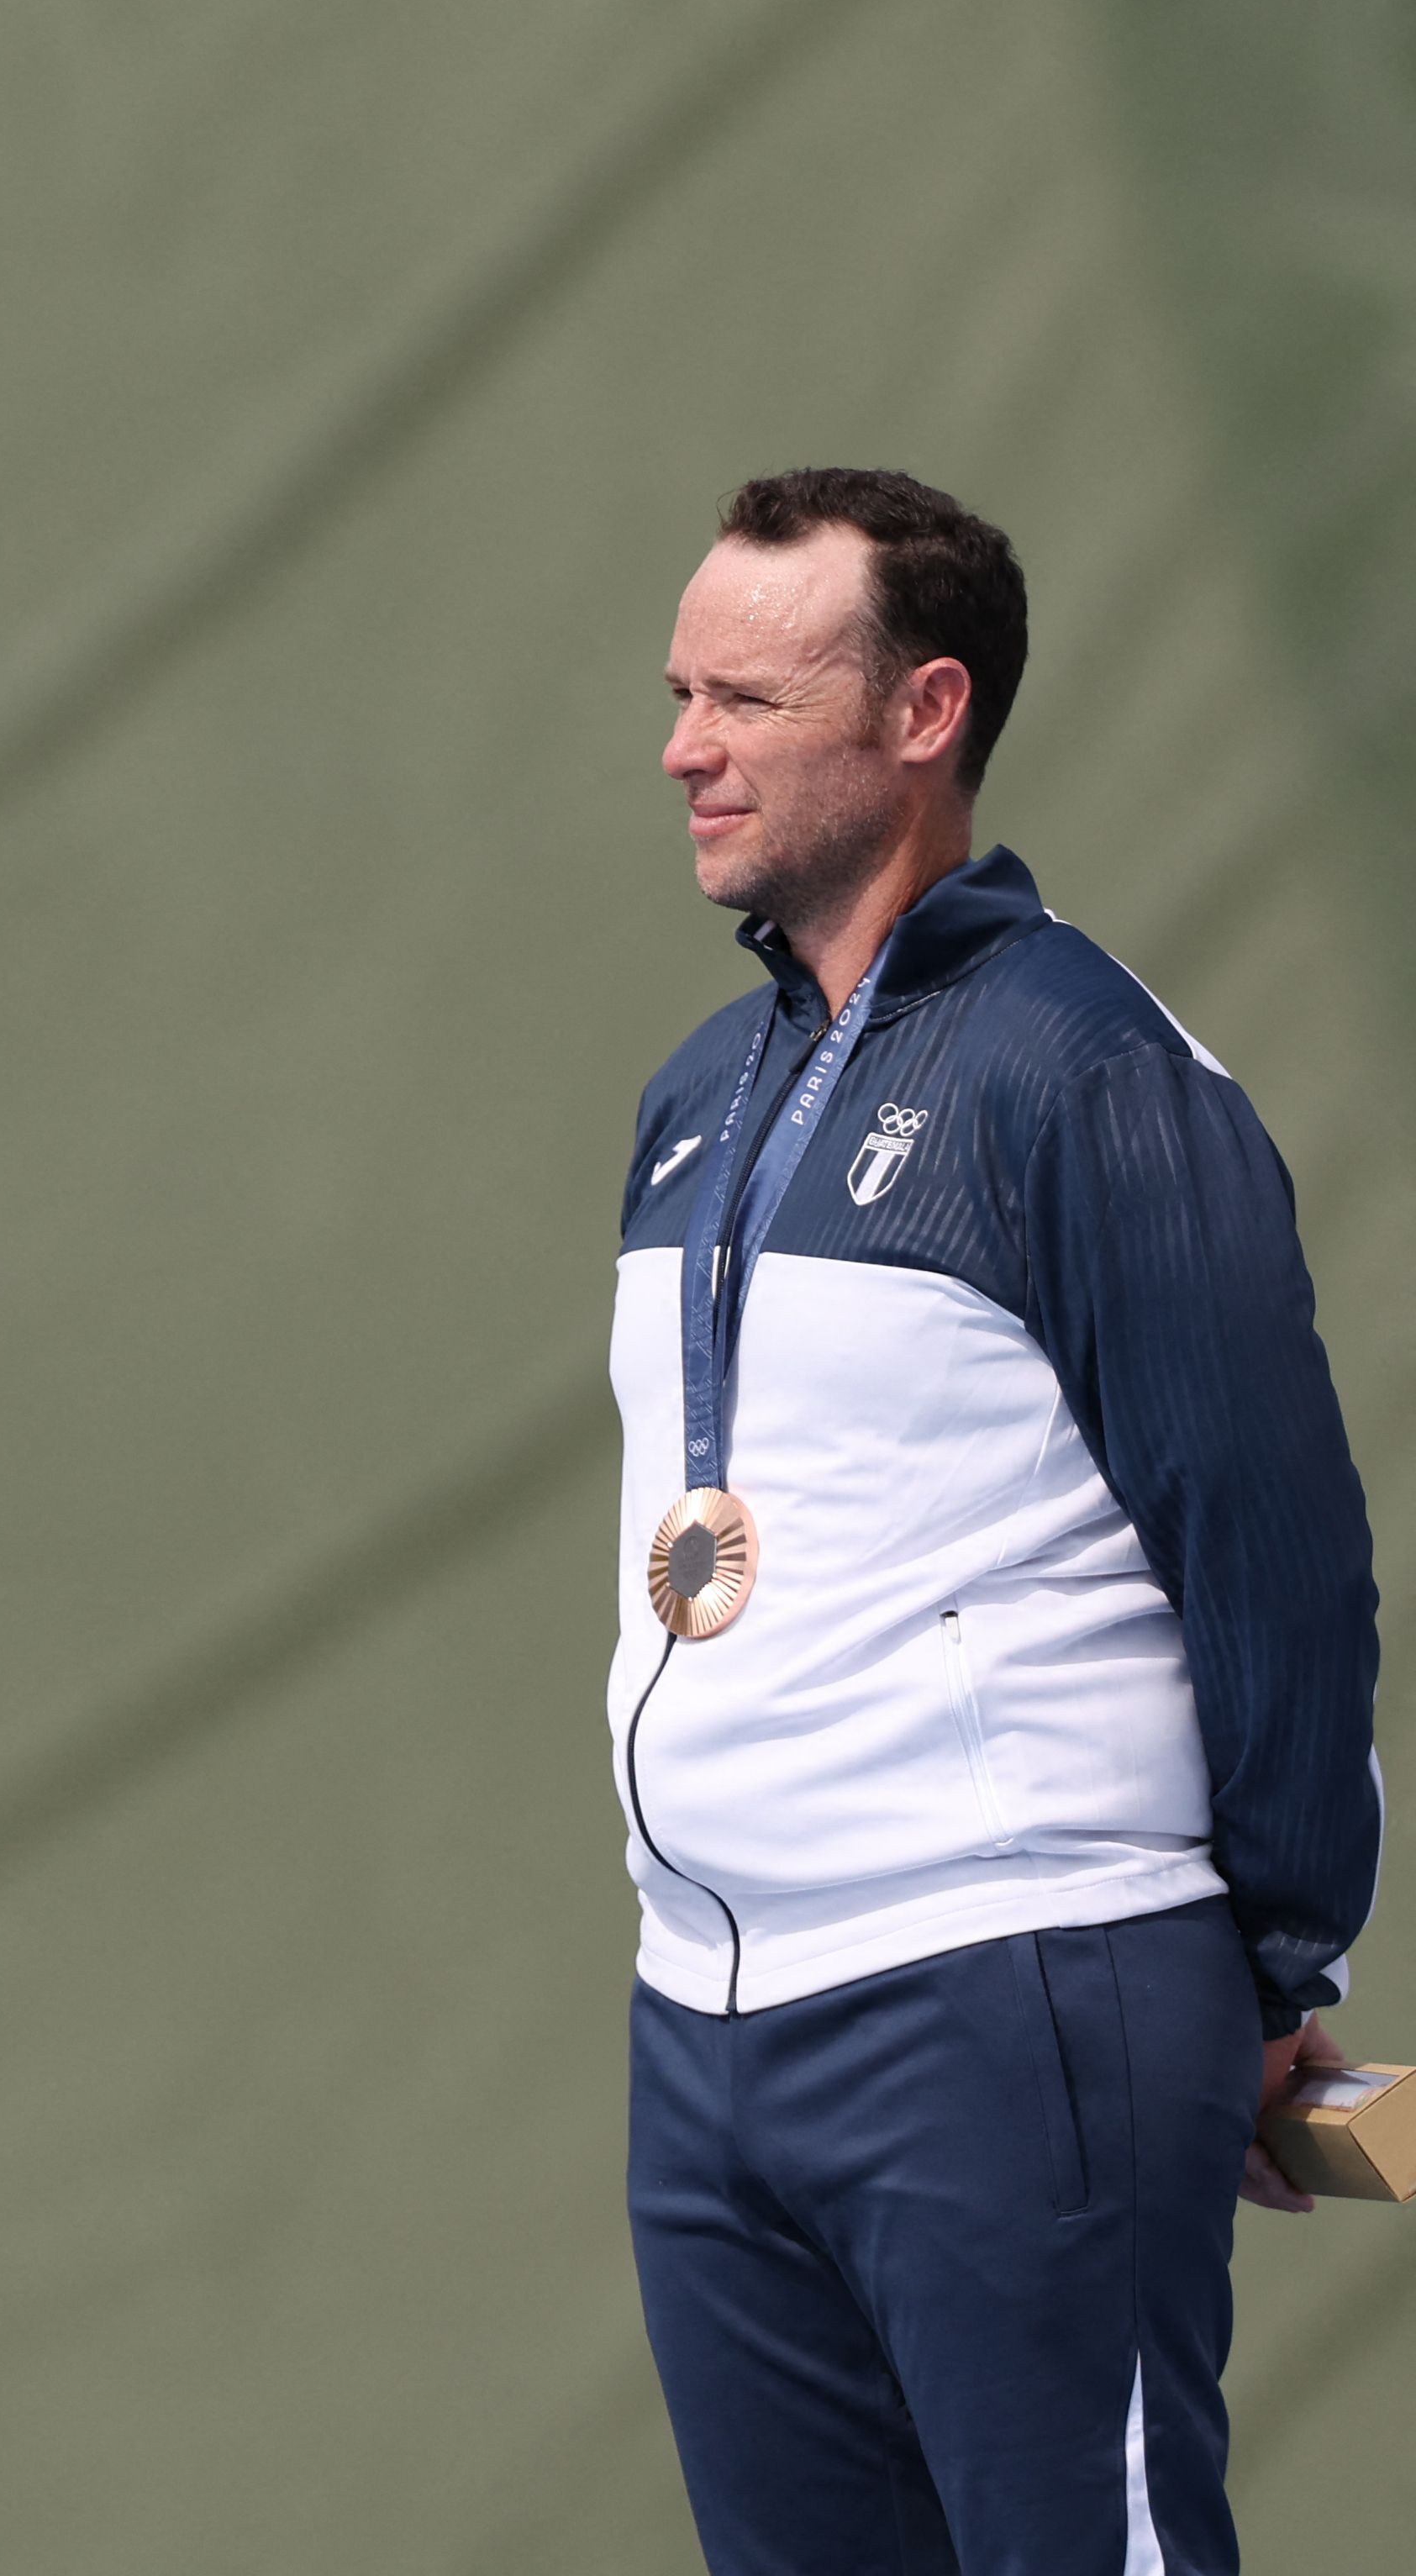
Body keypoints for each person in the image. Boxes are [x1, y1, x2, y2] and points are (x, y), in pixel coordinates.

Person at [608, 467, 1378, 2570]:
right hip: (712, 2029)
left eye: (749, 699)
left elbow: (1272, 1536)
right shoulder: (693, 1102)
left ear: (926, 712)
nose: (685, 744)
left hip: (1009, 1993)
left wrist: (1272, 1949)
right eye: (683, 689)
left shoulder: (1086, 1072)